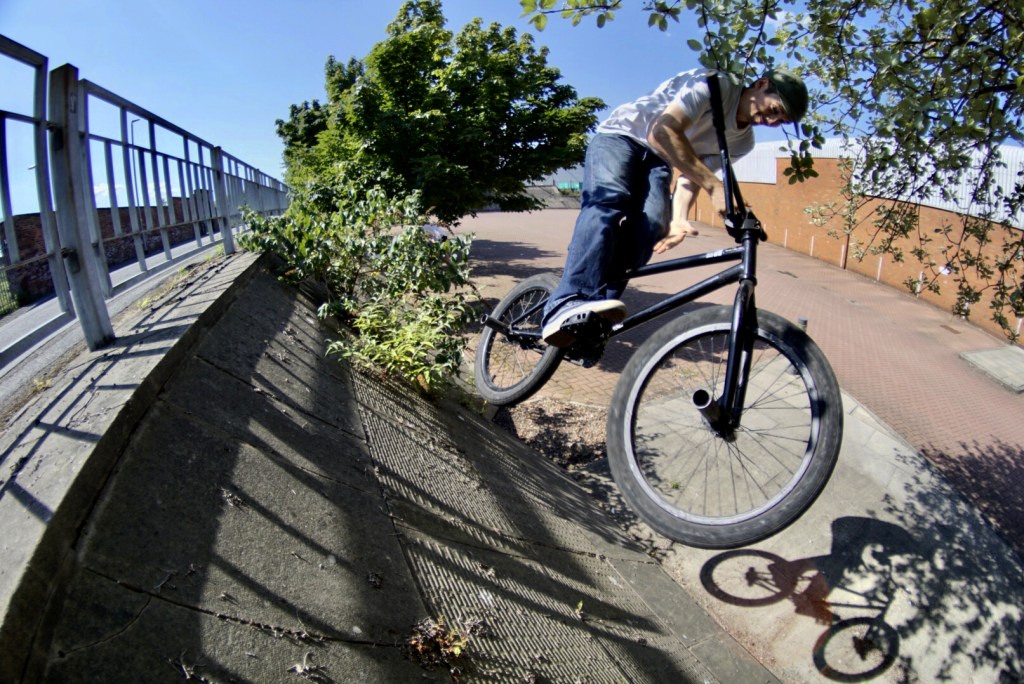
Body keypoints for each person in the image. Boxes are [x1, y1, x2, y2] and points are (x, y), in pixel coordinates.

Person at [541, 67, 809, 347]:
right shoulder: (717, 85)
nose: (772, 120)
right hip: (621, 137)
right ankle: (566, 300)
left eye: (781, 121)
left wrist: (679, 218)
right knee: (610, 202)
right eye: (775, 110)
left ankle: (591, 328)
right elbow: (662, 132)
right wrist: (715, 187)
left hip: (659, 160)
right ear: (762, 84)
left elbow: (692, 176)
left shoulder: (744, 142)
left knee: (653, 227)